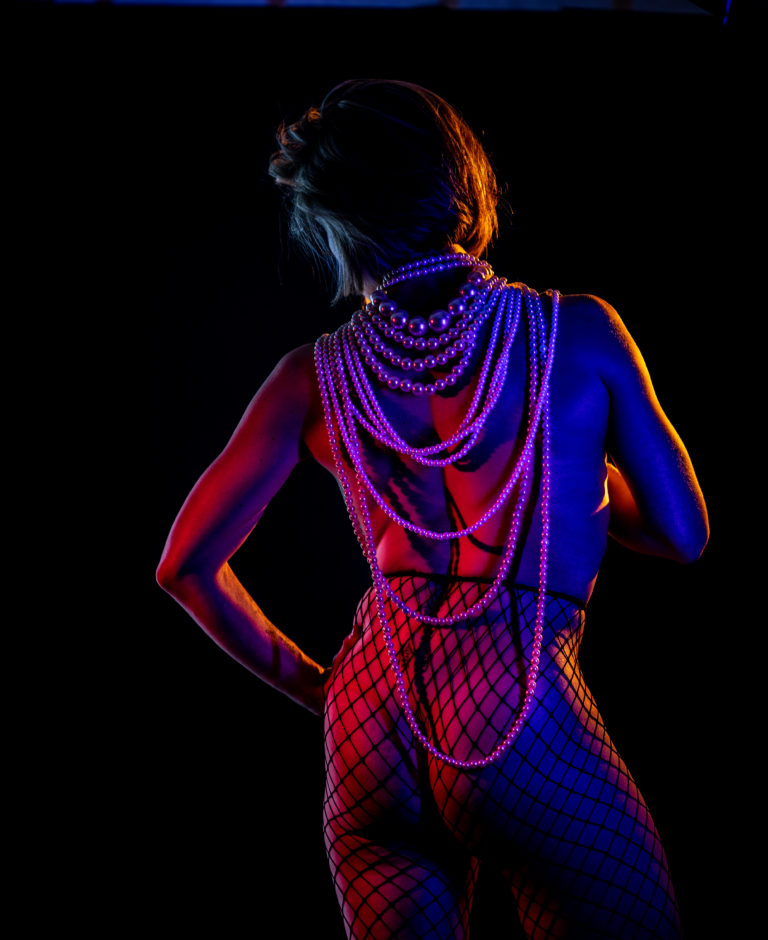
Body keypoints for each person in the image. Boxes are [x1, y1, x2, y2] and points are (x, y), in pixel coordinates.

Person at [156, 79, 708, 939]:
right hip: (511, 712)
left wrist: (322, 690)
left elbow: (184, 567)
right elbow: (680, 533)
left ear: (335, 221)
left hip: (368, 718)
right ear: (460, 180)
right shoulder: (575, 331)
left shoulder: (313, 376)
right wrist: (567, 469)